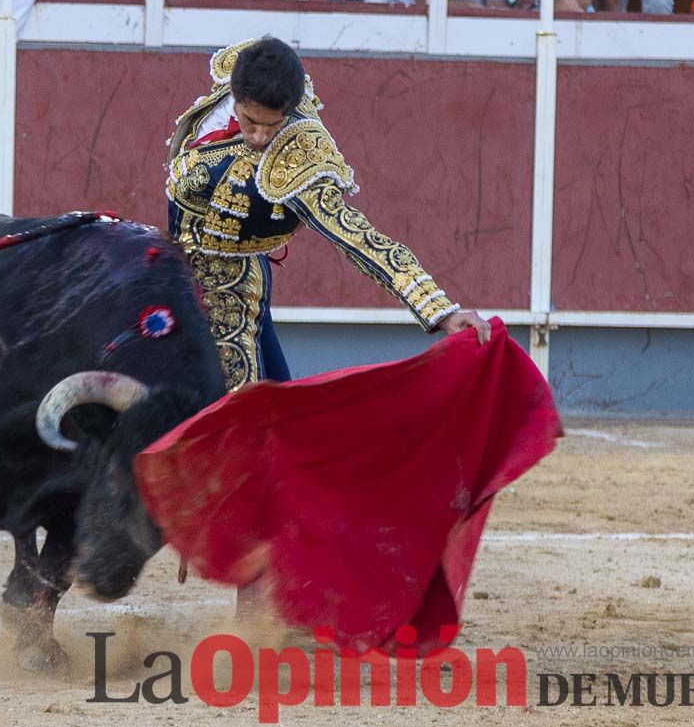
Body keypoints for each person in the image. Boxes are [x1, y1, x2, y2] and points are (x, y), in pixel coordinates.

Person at [165, 37, 490, 616]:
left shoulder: (302, 156)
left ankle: (255, 603)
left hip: (235, 299)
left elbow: (359, 238)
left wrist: (438, 308)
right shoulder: (232, 78)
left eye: (272, 125)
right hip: (169, 272)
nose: (260, 136)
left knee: (264, 443)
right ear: (232, 95)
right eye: (249, 121)